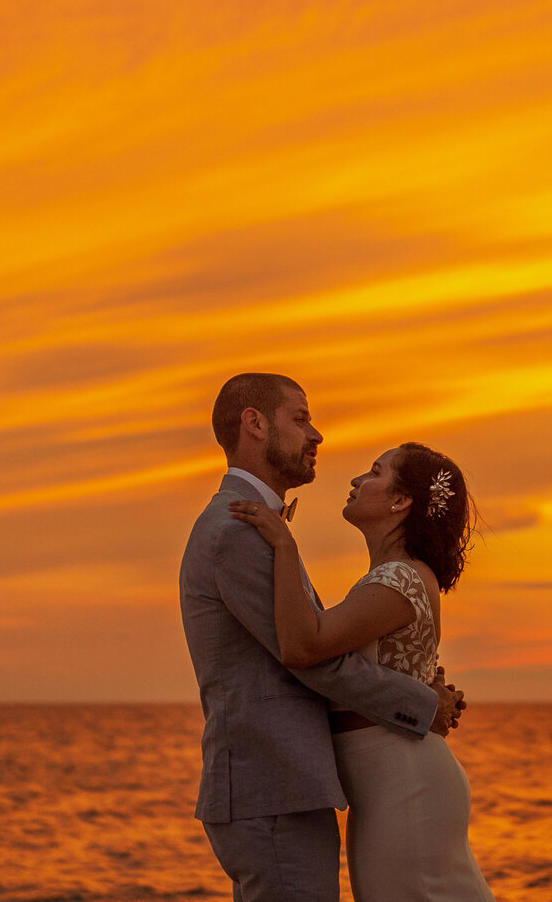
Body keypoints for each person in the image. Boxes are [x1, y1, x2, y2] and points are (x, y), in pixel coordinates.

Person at [179, 373, 466, 902]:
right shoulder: (236, 531)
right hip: (273, 788)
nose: (317, 436)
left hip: (286, 787)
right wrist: (422, 702)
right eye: (301, 418)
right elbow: (309, 657)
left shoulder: (253, 526)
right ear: (255, 425)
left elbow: (317, 647)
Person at [230, 441, 496, 901]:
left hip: (404, 784)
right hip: (388, 782)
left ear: (400, 500)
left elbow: (303, 645)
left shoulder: (399, 580)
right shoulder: (395, 576)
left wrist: (284, 546)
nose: (356, 481)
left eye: (374, 472)